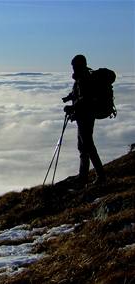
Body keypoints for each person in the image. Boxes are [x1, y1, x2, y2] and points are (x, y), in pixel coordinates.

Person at [62, 54, 106, 187]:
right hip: (84, 116)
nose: (73, 68)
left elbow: (85, 99)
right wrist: (69, 98)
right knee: (83, 146)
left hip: (86, 116)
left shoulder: (84, 78)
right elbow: (79, 95)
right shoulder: (83, 77)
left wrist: (72, 107)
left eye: (74, 66)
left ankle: (100, 176)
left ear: (79, 65)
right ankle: (84, 175)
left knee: (88, 146)